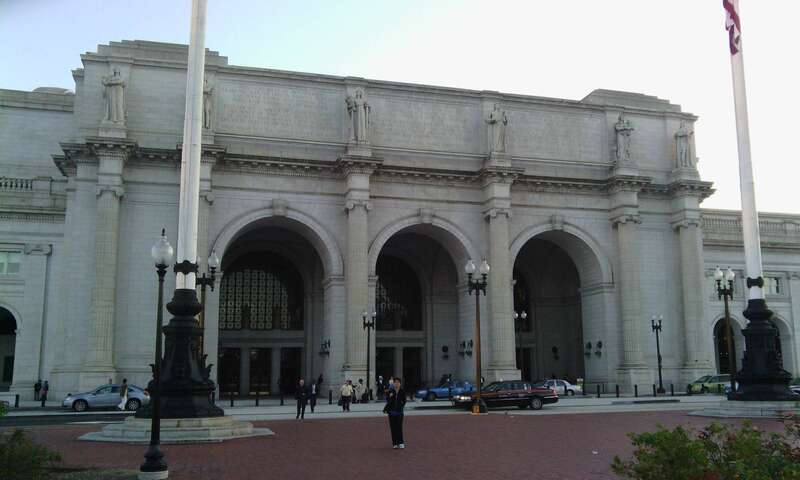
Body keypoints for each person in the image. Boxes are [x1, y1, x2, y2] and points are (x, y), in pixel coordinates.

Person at [383, 377, 406, 449]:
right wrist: (389, 396)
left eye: (398, 382)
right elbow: (387, 400)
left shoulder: (402, 391)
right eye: (395, 382)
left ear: (400, 383)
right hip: (391, 413)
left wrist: (401, 405)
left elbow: (404, 401)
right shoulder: (390, 391)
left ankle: (401, 442)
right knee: (393, 428)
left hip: (399, 412)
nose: (396, 383)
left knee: (399, 428)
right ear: (393, 383)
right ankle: (395, 443)